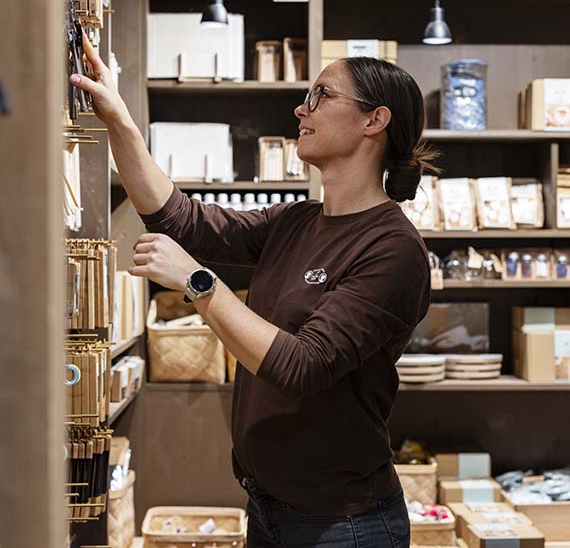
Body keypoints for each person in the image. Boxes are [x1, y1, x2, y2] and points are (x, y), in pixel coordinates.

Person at [71, 34, 436, 548]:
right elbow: (182, 219)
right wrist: (118, 119)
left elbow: (302, 366)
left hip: (342, 526)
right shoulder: (296, 220)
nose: (300, 108)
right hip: (267, 507)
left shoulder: (394, 249)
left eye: (320, 96)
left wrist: (198, 282)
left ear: (374, 121)